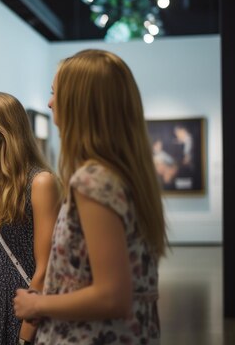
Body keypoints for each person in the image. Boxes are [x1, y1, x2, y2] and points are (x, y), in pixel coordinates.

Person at [13, 49, 168, 344]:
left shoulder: (93, 181)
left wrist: (36, 304)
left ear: (80, 104)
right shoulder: (124, 176)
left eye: (55, 93)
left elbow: (112, 296)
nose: (49, 102)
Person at [0, 92, 61, 344]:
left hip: (27, 313)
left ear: (4, 131)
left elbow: (46, 266)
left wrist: (26, 332)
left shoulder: (40, 183)